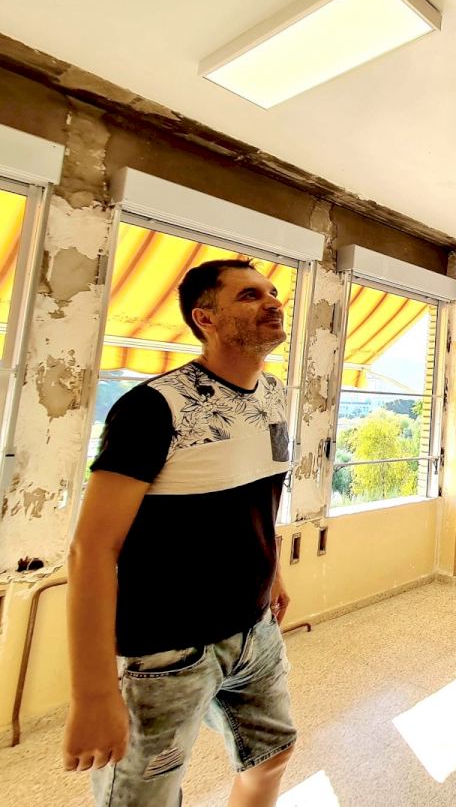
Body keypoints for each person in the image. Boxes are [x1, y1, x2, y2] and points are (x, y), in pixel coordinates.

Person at [64, 258, 297, 806]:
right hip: (168, 652)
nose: (272, 302)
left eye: (271, 292)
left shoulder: (273, 394)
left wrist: (273, 573)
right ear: (205, 318)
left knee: (272, 755)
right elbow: (91, 549)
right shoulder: (153, 408)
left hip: (256, 630)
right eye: (248, 295)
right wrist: (92, 696)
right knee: (143, 800)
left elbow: (257, 497)